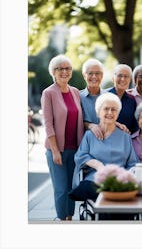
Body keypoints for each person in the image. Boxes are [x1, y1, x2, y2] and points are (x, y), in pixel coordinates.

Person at [69, 92, 139, 203]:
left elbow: (132, 163)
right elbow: (80, 155)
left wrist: (125, 177)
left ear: (118, 113)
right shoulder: (90, 135)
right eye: (106, 109)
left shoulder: (125, 136)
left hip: (118, 181)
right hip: (95, 179)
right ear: (98, 112)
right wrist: (98, 165)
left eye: (114, 109)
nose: (110, 113)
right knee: (100, 194)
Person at [41, 54, 84, 220]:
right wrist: (55, 150)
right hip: (56, 150)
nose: (64, 72)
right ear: (53, 72)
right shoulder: (48, 93)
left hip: (75, 149)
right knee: (60, 188)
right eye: (60, 69)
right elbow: (48, 123)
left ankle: (69, 218)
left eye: (67, 68)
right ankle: (61, 219)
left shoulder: (74, 92)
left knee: (71, 187)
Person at [107, 64, 139, 134]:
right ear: (113, 78)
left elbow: (134, 125)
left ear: (130, 80)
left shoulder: (132, 100)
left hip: (125, 141)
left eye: (126, 76)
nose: (123, 79)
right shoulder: (104, 96)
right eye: (120, 75)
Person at [79, 58, 106, 140]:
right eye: (90, 73)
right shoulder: (77, 97)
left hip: (104, 142)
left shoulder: (109, 97)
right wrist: (89, 125)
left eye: (97, 73)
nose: (94, 77)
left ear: (102, 76)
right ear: (84, 75)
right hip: (82, 145)